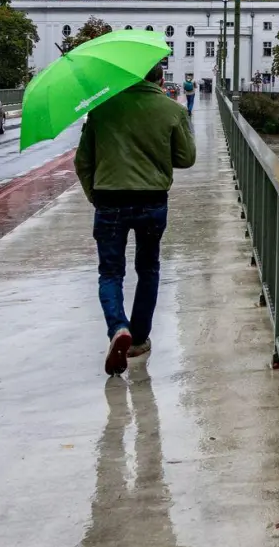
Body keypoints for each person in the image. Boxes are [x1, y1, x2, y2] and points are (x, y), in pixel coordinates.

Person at [76, 62, 197, 376]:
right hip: (152, 200)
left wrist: (95, 196)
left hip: (110, 199)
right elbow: (186, 158)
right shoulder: (171, 109)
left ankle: (118, 327)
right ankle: (139, 338)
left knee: (110, 273)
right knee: (148, 267)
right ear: (159, 78)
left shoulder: (100, 109)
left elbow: (83, 161)